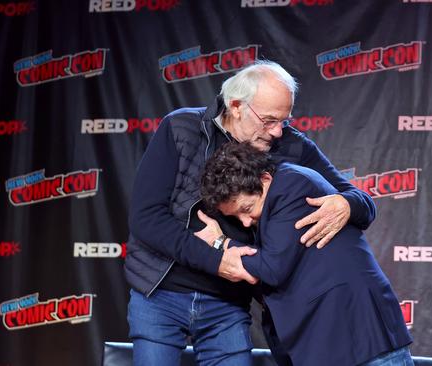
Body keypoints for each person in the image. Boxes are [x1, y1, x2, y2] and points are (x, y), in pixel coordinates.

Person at [125, 60, 377, 365]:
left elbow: (362, 201)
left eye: (284, 120)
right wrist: (217, 259)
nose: (277, 131)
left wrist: (347, 204)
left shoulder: (291, 145)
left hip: (229, 302)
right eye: (269, 120)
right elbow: (146, 218)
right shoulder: (182, 128)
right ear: (236, 106)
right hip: (161, 292)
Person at [199, 142, 414, 366]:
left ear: (265, 179)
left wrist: (221, 241)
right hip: (331, 339)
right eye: (236, 217)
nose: (245, 222)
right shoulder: (279, 191)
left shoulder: (290, 185)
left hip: (360, 334)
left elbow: (272, 268)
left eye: (246, 209)